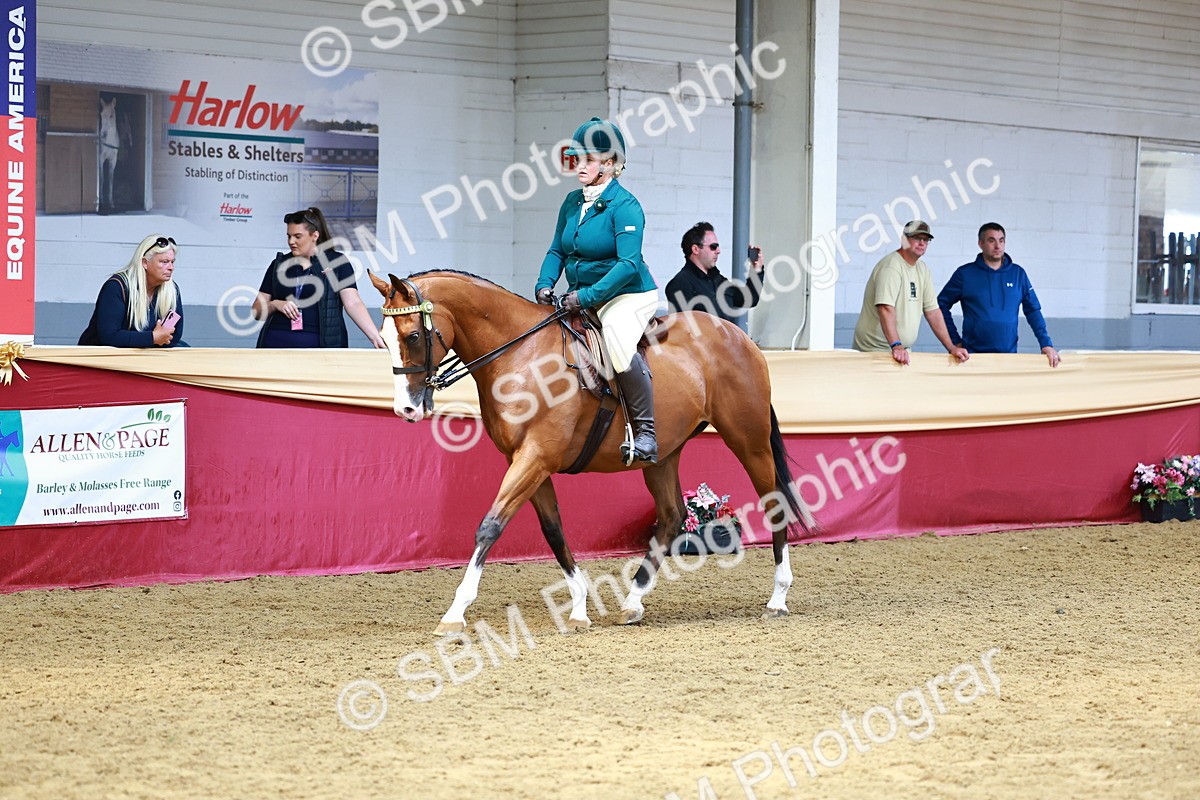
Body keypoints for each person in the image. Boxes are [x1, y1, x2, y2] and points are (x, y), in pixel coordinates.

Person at [534, 116, 660, 464]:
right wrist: (545, 283)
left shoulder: (627, 206)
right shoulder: (572, 202)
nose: (580, 166)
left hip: (627, 294)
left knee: (618, 345)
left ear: (610, 163)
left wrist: (586, 297)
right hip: (582, 292)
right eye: (578, 159)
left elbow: (628, 264)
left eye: (588, 160)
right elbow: (557, 250)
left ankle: (647, 433)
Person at [253, 206, 385, 349]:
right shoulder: (279, 265)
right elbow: (257, 311)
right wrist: (275, 304)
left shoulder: (336, 263)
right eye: (288, 236)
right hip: (274, 343)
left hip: (321, 348)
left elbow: (353, 303)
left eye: (297, 236)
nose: (291, 241)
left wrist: (375, 337)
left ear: (314, 236)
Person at [938, 223, 1060, 368]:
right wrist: (954, 342)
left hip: (1008, 359)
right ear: (980, 243)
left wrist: (1046, 344)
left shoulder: (1018, 274)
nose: (997, 246)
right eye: (991, 240)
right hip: (971, 359)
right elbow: (941, 305)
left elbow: (1033, 311)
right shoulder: (965, 274)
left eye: (1001, 240)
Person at [851, 220, 968, 365]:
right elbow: (885, 308)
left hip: (900, 350)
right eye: (916, 238)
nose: (921, 243)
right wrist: (896, 345)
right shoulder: (891, 267)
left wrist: (951, 347)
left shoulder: (922, 269)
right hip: (876, 350)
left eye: (925, 240)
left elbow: (933, 311)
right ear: (904, 240)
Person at [78, 234, 185, 347]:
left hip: (143, 354)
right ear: (145, 263)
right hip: (101, 356)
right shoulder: (116, 286)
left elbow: (175, 335)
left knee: (183, 347)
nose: (171, 267)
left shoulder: (172, 289)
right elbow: (110, 336)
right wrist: (153, 337)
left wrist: (156, 340)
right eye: (164, 262)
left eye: (172, 262)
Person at [664, 221, 765, 324]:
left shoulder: (718, 280)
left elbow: (749, 299)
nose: (718, 251)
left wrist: (757, 269)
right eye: (713, 246)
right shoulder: (679, 284)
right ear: (695, 249)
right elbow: (684, 330)